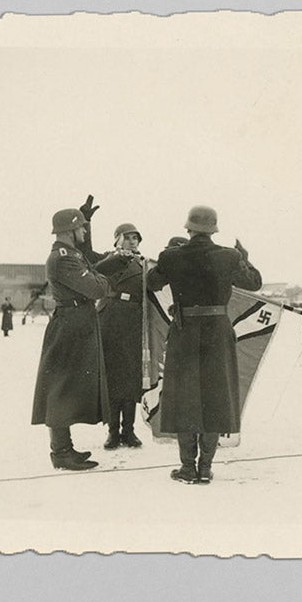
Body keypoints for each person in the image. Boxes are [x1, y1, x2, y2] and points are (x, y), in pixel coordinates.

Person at [146, 205, 262, 484]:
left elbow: (150, 283)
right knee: (214, 397)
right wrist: (244, 258)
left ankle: (187, 468)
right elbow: (254, 283)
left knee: (184, 398)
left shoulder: (171, 256)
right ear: (214, 229)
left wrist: (167, 260)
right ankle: (206, 467)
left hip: (184, 332)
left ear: (188, 228)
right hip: (217, 334)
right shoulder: (229, 256)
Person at [30, 207, 112, 471]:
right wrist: (102, 281)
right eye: (82, 228)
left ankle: (65, 448)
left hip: (77, 322)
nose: (85, 232)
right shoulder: (63, 258)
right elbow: (97, 288)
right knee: (60, 388)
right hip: (70, 324)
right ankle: (61, 452)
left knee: (65, 387)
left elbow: (89, 266)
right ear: (70, 230)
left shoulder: (70, 254)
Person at [94, 222, 149, 450]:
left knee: (130, 378)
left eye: (136, 238)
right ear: (116, 239)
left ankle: (129, 430)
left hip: (132, 322)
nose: (133, 241)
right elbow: (96, 269)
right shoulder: (108, 259)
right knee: (112, 377)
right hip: (109, 319)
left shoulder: (144, 264)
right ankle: (113, 432)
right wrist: (118, 258)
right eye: (127, 237)